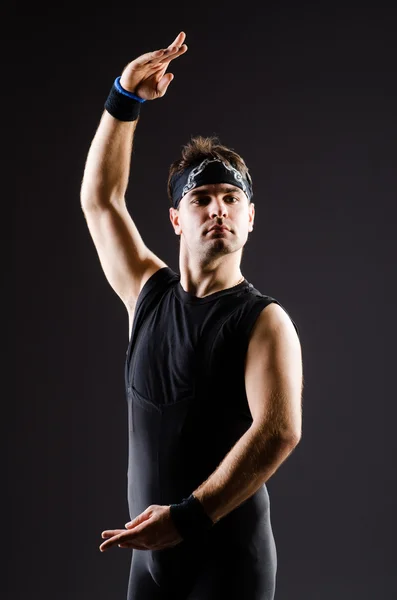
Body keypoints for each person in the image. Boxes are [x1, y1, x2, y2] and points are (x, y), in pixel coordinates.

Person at [80, 31, 303, 600]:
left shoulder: (264, 321)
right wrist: (125, 96)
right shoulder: (146, 295)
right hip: (149, 561)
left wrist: (184, 519)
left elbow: (278, 431)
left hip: (227, 563)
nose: (218, 210)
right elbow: (101, 199)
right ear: (177, 219)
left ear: (251, 218)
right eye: (201, 199)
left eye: (231, 199)